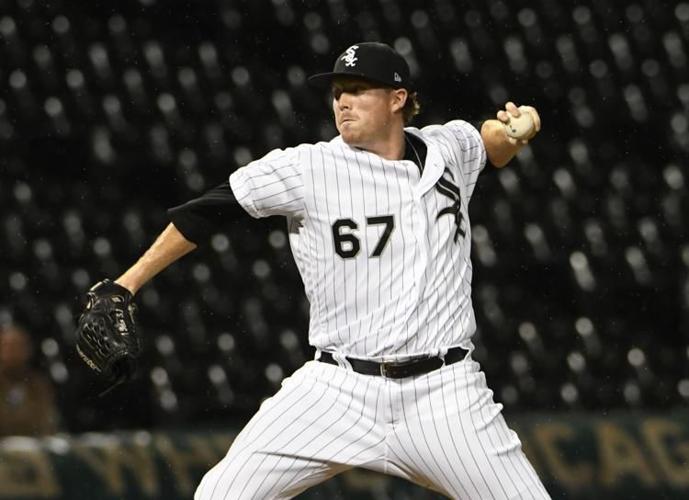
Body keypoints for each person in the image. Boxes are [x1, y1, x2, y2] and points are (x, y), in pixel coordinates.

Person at [80, 42, 549, 498]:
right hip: (337, 388)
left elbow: (487, 144)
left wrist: (514, 133)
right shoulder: (309, 167)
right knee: (221, 494)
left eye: (357, 88)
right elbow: (206, 211)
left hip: (444, 393)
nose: (342, 101)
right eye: (337, 91)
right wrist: (127, 282)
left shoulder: (447, 149)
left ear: (397, 99)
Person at [0, 324, 59, 437]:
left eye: (18, 346)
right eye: (7, 346)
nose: (13, 352)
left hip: (33, 448)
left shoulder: (39, 384)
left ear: (28, 349)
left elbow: (46, 423)